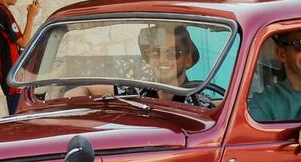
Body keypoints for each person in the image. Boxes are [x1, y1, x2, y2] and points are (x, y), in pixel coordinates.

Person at [70, 24, 214, 107]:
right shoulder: (138, 91)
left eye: (172, 53)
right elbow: (83, 90)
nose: (162, 59)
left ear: (187, 60)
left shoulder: (200, 105)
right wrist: (81, 110)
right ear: (148, 58)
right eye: (156, 52)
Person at [0, 0, 40, 115]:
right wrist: (31, 16)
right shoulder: (3, 14)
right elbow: (24, 42)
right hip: (12, 77)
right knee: (19, 120)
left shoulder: (1, 13)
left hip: (11, 76)